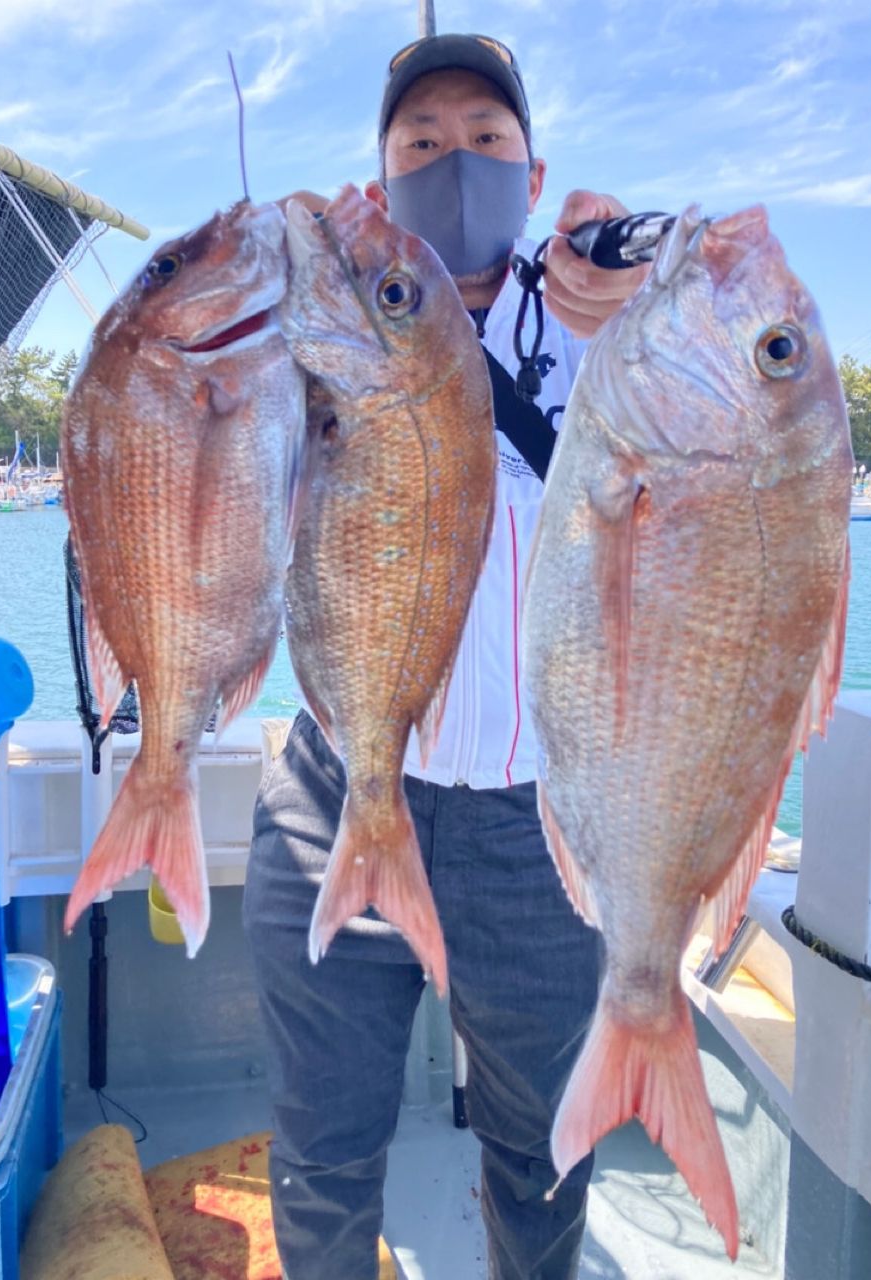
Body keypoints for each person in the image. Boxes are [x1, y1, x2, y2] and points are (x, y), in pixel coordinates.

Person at [243, 33, 648, 1280]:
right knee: (321, 1148)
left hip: (539, 829)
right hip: (335, 783)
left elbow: (753, 332)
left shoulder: (609, 335)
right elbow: (185, 404)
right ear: (378, 172)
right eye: (421, 144)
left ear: (536, 172)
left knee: (541, 1158)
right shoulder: (318, 324)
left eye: (486, 140)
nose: (453, 163)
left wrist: (642, 251)